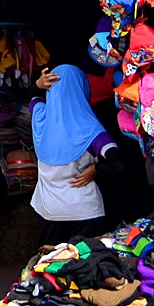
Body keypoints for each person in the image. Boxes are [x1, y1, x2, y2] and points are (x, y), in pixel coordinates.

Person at [30, 64, 122, 247]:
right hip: (85, 212)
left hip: (49, 211)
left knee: (49, 267)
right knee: (86, 269)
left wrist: (38, 84)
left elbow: (33, 97)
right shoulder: (93, 130)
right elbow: (118, 164)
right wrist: (96, 168)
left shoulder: (39, 117)